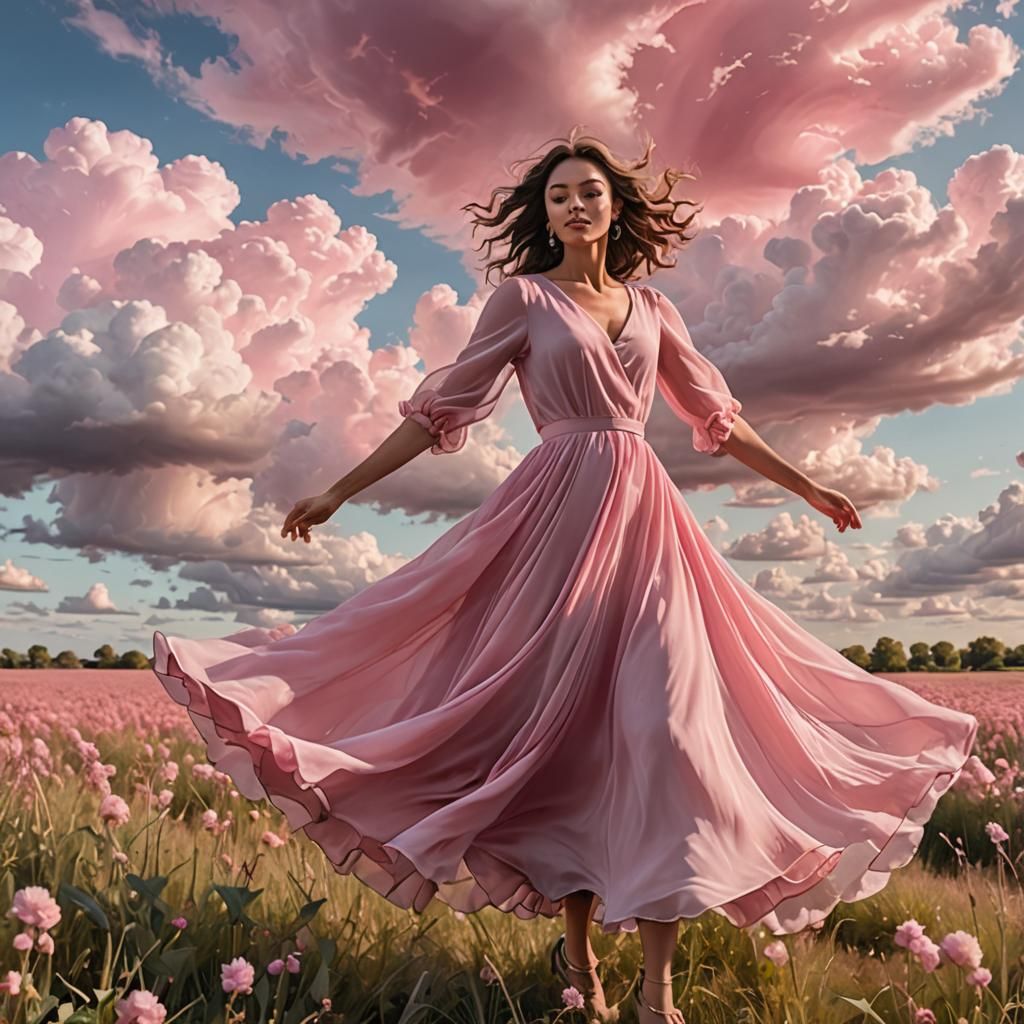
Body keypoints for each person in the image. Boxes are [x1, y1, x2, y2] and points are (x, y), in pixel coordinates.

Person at [152, 131, 978, 1024]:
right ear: (544, 215)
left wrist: (807, 485)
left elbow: (716, 418)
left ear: (615, 207)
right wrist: (339, 489)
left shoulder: (654, 308)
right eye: (558, 196)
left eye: (589, 191)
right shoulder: (524, 299)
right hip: (553, 526)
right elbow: (441, 411)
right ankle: (580, 958)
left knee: (668, 734)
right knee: (569, 741)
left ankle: (658, 991)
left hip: (648, 528)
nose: (575, 205)